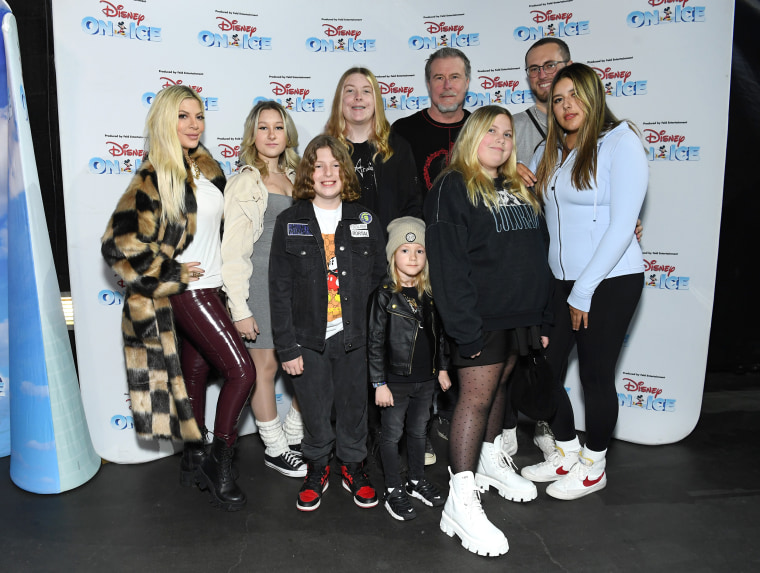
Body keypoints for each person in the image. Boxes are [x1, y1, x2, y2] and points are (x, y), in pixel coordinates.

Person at [101, 85, 255, 511]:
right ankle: (219, 465)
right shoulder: (155, 175)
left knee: (197, 372)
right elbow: (118, 247)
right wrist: (172, 272)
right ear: (166, 122)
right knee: (242, 372)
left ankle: (193, 457)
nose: (194, 124)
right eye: (183, 116)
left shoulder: (206, 168)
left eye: (199, 116)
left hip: (214, 288)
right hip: (189, 291)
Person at [425, 105, 552, 556]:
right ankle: (459, 499)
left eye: (505, 132)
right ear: (471, 136)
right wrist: (463, 327)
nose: (499, 138)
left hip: (519, 315)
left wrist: (542, 316)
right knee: (475, 399)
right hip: (477, 316)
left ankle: (490, 460)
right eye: (490, 131)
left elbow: (538, 252)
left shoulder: (516, 185)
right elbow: (446, 264)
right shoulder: (452, 187)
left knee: (500, 390)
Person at [520, 63, 647, 500]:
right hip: (561, 281)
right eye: (557, 99)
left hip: (609, 280)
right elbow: (532, 198)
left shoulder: (620, 143)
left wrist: (584, 290)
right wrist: (511, 173)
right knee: (543, 372)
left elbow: (621, 226)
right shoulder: (549, 151)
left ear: (595, 95)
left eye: (574, 95)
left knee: (595, 376)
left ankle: (594, 465)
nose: (566, 105)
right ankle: (567, 450)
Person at [269, 135, 387, 512]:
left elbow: (379, 280)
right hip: (307, 340)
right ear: (307, 172)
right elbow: (279, 288)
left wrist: (373, 339)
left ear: (346, 172)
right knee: (315, 409)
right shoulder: (290, 221)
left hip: (354, 337)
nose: (327, 172)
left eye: (336, 164)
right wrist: (286, 347)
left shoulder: (366, 219)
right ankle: (317, 467)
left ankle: (354, 466)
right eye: (318, 165)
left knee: (355, 410)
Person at [221, 100, 306, 478]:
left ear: (287, 132)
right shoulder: (245, 181)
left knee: (308, 363)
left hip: (297, 284)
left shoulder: (299, 175)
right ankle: (274, 447)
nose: (271, 134)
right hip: (260, 283)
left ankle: (293, 432)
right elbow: (234, 250)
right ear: (251, 135)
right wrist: (240, 307)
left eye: (278, 126)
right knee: (266, 365)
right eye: (263, 127)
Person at [368, 216, 451, 521]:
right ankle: (392, 489)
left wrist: (442, 369)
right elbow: (374, 343)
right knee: (391, 436)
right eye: (405, 250)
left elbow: (439, 336)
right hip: (394, 383)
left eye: (419, 251)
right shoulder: (384, 297)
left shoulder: (430, 294)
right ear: (392, 255)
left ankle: (416, 481)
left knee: (418, 433)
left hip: (425, 381)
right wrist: (379, 383)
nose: (413, 257)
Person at [325, 67, 422, 229]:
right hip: (336, 249)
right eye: (350, 91)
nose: (358, 98)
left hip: (386, 250)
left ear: (376, 99)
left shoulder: (398, 148)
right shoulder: (324, 149)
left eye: (366, 91)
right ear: (339, 100)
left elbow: (412, 207)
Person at [392, 47, 471, 200]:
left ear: (466, 83)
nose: (447, 85)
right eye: (439, 78)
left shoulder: (483, 129)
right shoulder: (403, 130)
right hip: (418, 223)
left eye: (455, 77)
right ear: (428, 84)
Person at [513, 38, 572, 187]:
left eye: (550, 65)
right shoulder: (509, 128)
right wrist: (502, 172)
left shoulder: (599, 129)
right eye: (534, 69)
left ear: (569, 67)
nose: (542, 75)